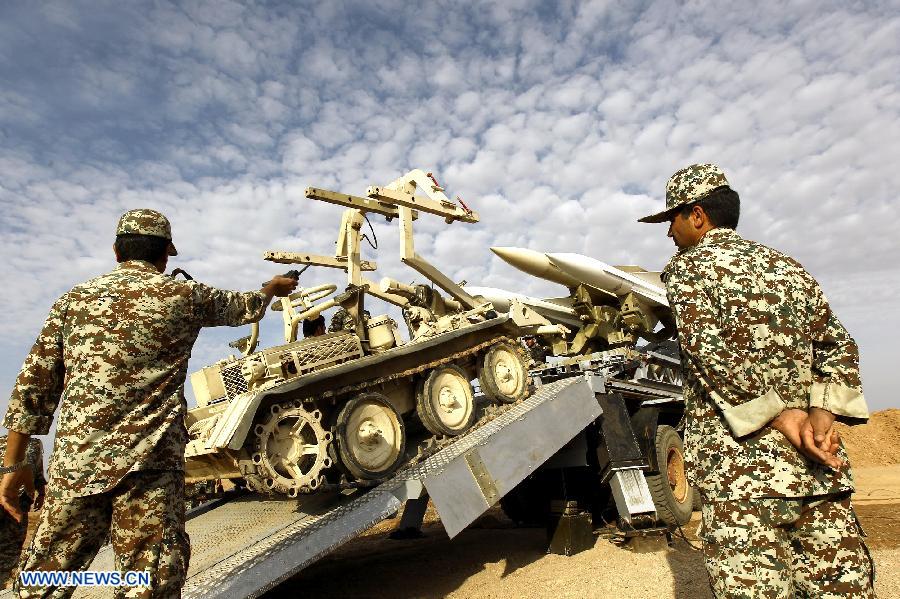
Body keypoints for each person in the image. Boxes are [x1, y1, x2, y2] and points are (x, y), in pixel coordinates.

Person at [0, 208, 297, 598]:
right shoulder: (185, 296)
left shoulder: (72, 301)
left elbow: (34, 387)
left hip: (77, 467)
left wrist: (15, 465)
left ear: (116, 251)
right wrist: (273, 288)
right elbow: (248, 307)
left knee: (45, 577)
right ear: (167, 252)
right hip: (150, 469)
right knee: (148, 582)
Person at [638, 164, 874, 597]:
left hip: (742, 481)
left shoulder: (689, 269)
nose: (667, 232)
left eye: (671, 218)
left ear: (697, 215)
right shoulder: (789, 267)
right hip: (817, 471)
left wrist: (783, 417)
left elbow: (709, 354)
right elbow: (840, 346)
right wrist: (820, 417)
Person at [0, 436, 45, 588]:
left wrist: (41, 490)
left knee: (9, 554)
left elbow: (35, 467)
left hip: (19, 505)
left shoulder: (33, 444)